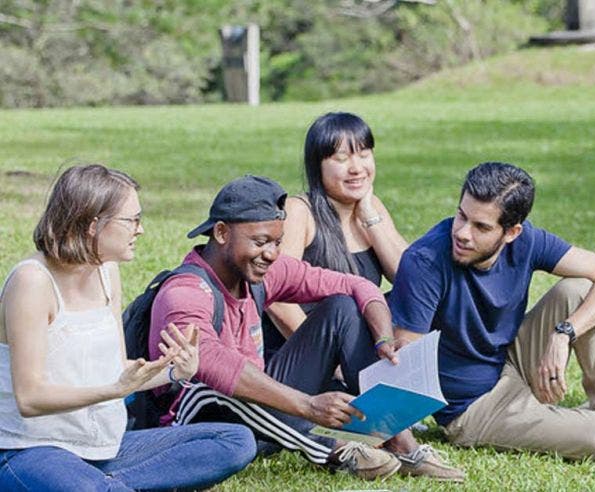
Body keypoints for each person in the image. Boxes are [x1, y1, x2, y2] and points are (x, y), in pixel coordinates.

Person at [149, 175, 464, 481]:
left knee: (341, 307)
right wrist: (308, 406)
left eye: (277, 242)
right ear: (221, 233)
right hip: (200, 422)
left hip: (264, 416)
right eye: (260, 242)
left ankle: (399, 439)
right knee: (216, 386)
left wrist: (383, 336)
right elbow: (210, 361)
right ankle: (338, 450)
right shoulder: (186, 291)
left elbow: (354, 285)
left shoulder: (262, 272)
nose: (271, 254)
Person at [389, 161, 595, 459]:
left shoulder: (527, 242)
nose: (462, 233)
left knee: (580, 289)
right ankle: (590, 422)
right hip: (474, 407)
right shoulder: (426, 260)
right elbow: (407, 361)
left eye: (481, 226)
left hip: (512, 362)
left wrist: (564, 334)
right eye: (461, 216)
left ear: (512, 232)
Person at [0, 164, 255, 490]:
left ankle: (103, 484)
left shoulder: (106, 271)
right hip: (29, 449)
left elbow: (117, 371)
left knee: (233, 440)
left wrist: (176, 372)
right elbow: (30, 397)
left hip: (103, 449)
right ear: (94, 225)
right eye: (132, 220)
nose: (140, 229)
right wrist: (113, 391)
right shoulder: (32, 282)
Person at [264, 111, 408, 358]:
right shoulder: (300, 212)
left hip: (353, 343)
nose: (357, 168)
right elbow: (276, 297)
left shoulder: (372, 206)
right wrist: (327, 359)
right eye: (342, 159)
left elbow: (409, 279)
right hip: (304, 352)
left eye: (364, 155)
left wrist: (369, 215)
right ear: (317, 165)